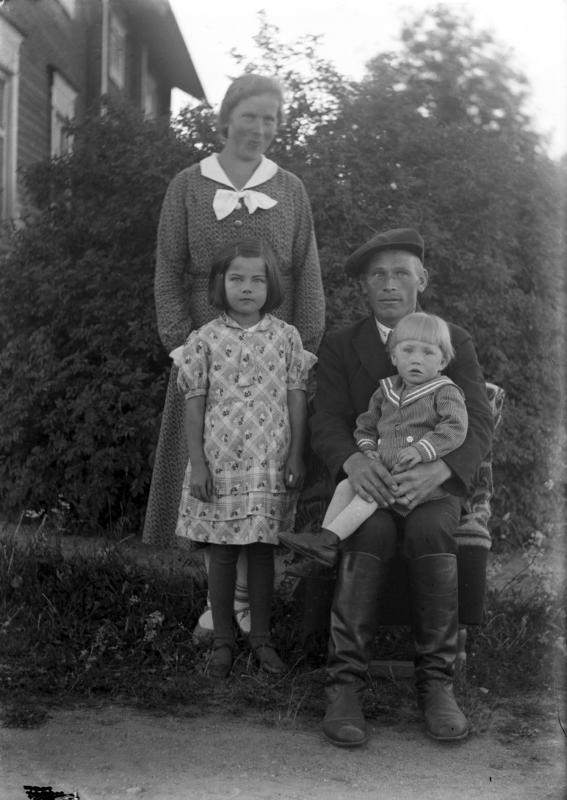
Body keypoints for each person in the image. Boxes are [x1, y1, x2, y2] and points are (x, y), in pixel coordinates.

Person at [142, 74, 325, 642]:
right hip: (208, 356)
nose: (260, 128)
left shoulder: (290, 188)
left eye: (270, 119)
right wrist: (181, 344)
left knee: (263, 479)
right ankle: (218, 602)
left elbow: (306, 270)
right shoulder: (188, 185)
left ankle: (245, 603)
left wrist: (304, 345)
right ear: (226, 119)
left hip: (272, 360)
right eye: (250, 116)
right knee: (211, 478)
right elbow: (169, 269)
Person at [304, 227, 493, 747]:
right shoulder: (342, 344)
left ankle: (436, 685)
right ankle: (345, 685)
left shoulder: (451, 339)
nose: (390, 284)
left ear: (422, 280)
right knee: (371, 533)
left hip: (433, 483)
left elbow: (477, 420)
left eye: (401, 273)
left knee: (432, 531)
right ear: (364, 285)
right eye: (378, 275)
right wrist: (353, 463)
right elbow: (328, 419)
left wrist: (442, 470)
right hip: (369, 482)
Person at [172, 239, 316, 678]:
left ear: (271, 286)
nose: (247, 288)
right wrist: (199, 464)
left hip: (269, 461)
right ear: (220, 283)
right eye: (237, 279)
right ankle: (222, 641)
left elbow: (296, 400)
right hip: (220, 462)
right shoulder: (204, 339)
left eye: (257, 280)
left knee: (261, 551)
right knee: (221, 551)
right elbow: (194, 405)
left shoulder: (286, 337)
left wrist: (296, 455)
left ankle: (262, 639)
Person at [280, 312, 468, 567]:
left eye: (428, 353)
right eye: (408, 351)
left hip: (416, 479)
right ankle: (323, 542)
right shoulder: (385, 391)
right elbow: (366, 426)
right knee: (346, 486)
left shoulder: (444, 391)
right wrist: (367, 450)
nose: (416, 359)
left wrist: (422, 450)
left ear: (442, 361)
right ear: (394, 357)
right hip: (385, 470)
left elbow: (455, 427)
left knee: (368, 495)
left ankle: (328, 542)